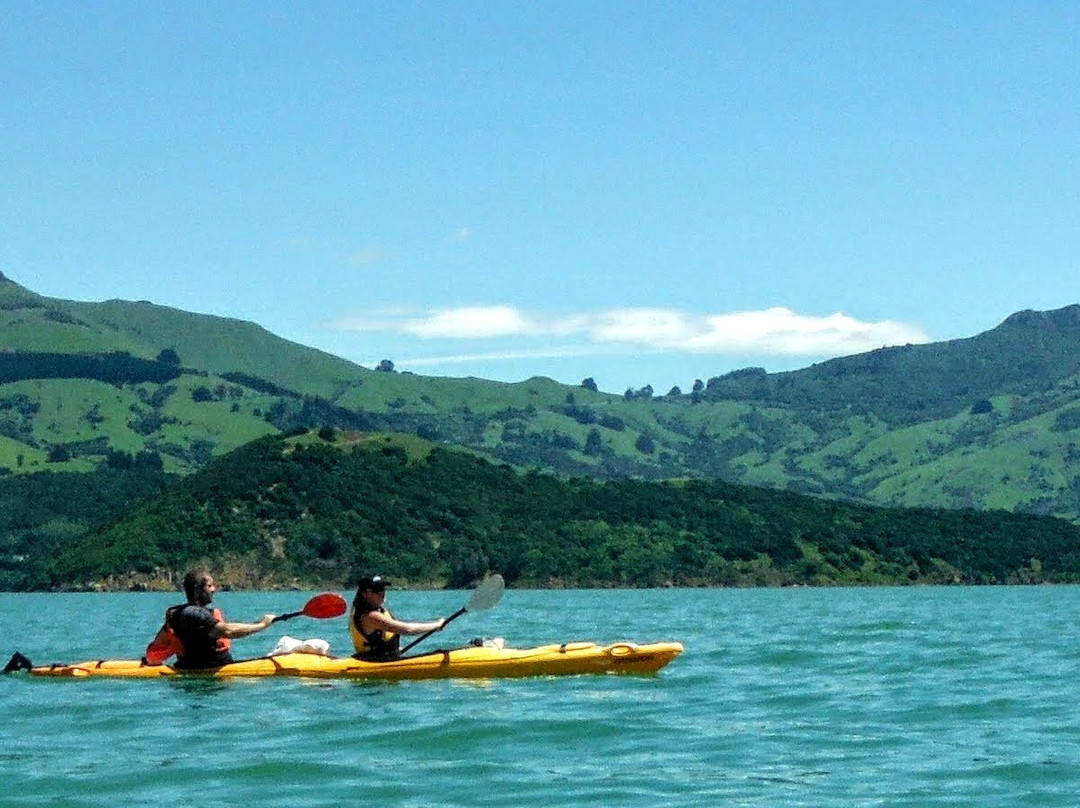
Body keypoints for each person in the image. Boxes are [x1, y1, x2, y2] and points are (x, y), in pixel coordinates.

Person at [144, 569, 276, 669]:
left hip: (188, 668)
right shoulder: (195, 614)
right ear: (198, 589)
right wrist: (262, 625)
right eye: (210, 586)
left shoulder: (177, 614)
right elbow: (228, 631)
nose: (214, 589)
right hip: (212, 670)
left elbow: (154, 651)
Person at [350, 575, 446, 660]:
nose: (381, 593)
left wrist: (396, 650)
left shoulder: (372, 610)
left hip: (384, 658)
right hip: (375, 662)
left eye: (382, 589)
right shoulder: (370, 617)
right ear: (364, 594)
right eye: (376, 590)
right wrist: (436, 625)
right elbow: (408, 629)